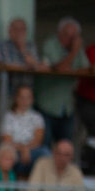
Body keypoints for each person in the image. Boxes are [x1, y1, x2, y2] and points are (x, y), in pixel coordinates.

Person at [36, 18, 88, 146]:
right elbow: (58, 69)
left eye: (74, 36)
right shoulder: (50, 45)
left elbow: (86, 69)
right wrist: (73, 52)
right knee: (45, 146)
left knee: (66, 147)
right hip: (46, 105)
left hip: (66, 108)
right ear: (59, 33)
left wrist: (74, 56)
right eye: (67, 35)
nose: (70, 39)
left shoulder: (77, 49)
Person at [25, 140, 90, 191]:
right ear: (53, 153)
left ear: (72, 157)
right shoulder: (42, 164)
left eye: (66, 155)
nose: (62, 158)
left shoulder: (75, 171)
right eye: (59, 154)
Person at [0, 86, 48, 176]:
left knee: (45, 153)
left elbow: (38, 140)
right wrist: (24, 149)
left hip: (32, 151)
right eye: (21, 97)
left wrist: (27, 149)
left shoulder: (37, 117)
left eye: (27, 97)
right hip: (14, 151)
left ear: (32, 99)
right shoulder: (9, 117)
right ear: (16, 98)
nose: (24, 100)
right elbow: (7, 141)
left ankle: (43, 184)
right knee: (6, 154)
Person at [1, 17, 42, 93]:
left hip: (26, 90)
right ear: (9, 31)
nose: (19, 32)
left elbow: (37, 66)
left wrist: (22, 48)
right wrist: (28, 66)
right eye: (16, 29)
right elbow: (8, 65)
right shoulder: (3, 46)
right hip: (7, 90)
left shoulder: (31, 46)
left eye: (22, 29)